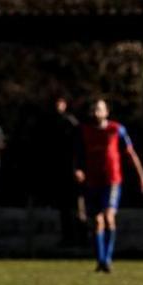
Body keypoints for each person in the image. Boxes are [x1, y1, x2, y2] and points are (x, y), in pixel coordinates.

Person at [74, 98, 143, 273]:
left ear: (106, 112)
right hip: (93, 181)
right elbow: (78, 155)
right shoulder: (85, 131)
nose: (96, 112)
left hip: (112, 180)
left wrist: (142, 175)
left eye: (99, 109)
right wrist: (78, 170)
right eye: (94, 109)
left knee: (108, 217)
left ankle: (107, 259)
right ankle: (101, 260)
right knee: (97, 221)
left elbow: (131, 154)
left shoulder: (116, 130)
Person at [44, 97, 85, 245]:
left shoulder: (71, 123)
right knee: (65, 207)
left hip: (72, 171)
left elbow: (77, 149)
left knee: (78, 206)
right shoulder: (52, 123)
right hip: (62, 171)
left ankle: (81, 237)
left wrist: (78, 168)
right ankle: (68, 237)